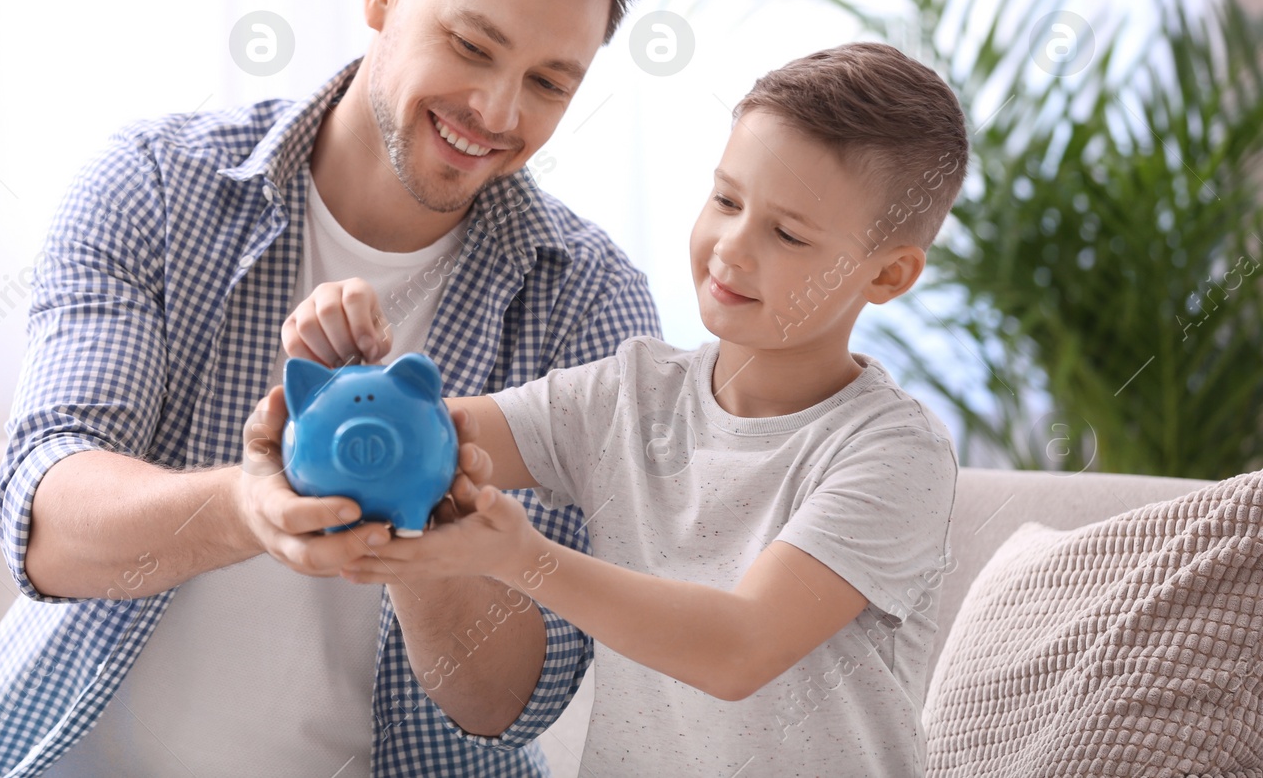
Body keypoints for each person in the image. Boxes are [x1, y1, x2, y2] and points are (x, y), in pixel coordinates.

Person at [0, 0, 662, 778]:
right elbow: (47, 517)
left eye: (550, 82)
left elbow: (511, 703)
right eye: (472, 46)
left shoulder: (586, 302)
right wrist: (246, 508)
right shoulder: (155, 189)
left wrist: (429, 535)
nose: (497, 112)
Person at [274, 42, 969, 775]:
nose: (730, 246)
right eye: (727, 199)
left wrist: (523, 558)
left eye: (787, 233)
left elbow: (739, 648)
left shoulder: (894, 453)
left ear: (889, 272)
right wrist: (348, 373)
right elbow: (432, 434)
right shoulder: (629, 393)